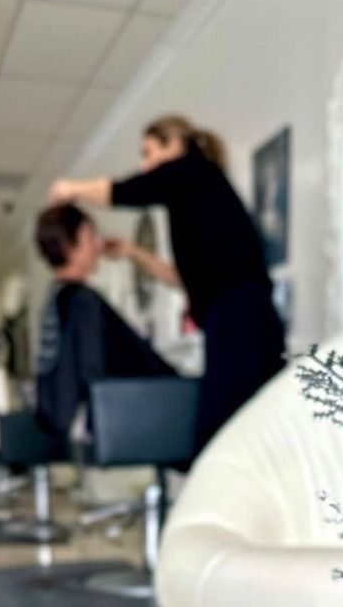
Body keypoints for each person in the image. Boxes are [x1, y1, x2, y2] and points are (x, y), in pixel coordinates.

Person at [49, 114, 285, 450]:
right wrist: (132, 252)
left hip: (238, 316)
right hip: (239, 317)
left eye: (149, 153)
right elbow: (181, 279)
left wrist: (72, 189)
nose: (145, 165)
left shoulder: (192, 171)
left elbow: (125, 191)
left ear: (174, 145)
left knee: (219, 433)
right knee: (246, 428)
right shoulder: (193, 198)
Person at [33, 202, 174, 440]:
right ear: (70, 247)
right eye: (90, 237)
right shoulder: (84, 301)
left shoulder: (56, 298)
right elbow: (93, 370)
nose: (98, 245)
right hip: (146, 408)